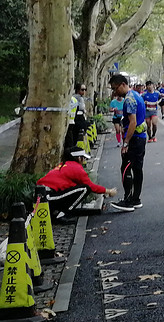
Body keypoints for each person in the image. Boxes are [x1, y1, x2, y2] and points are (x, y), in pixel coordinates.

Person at [37, 148, 116, 221]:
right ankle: (62, 214)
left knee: (80, 188)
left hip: (43, 194)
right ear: (78, 158)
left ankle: (61, 210)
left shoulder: (65, 165)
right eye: (83, 158)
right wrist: (108, 191)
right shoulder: (76, 168)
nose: (84, 160)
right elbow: (91, 187)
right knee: (85, 189)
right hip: (48, 196)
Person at [109, 73, 148, 211]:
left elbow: (133, 122)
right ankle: (135, 199)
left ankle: (129, 200)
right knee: (137, 169)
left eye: (115, 88)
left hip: (134, 139)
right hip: (140, 137)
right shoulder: (136, 95)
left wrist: (126, 143)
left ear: (123, 84)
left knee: (126, 168)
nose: (114, 92)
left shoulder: (129, 100)